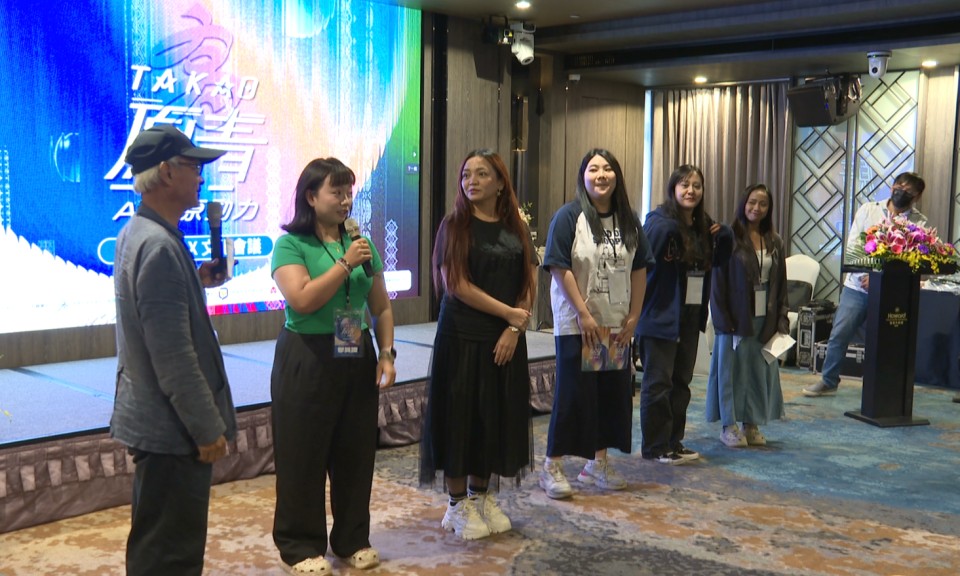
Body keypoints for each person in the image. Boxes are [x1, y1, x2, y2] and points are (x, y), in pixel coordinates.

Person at [110, 124, 236, 576]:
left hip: (156, 421)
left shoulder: (140, 231)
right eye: (193, 166)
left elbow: (152, 313)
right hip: (172, 428)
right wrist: (207, 427)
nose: (201, 176)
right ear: (165, 172)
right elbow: (174, 356)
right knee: (170, 556)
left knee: (157, 544)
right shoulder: (159, 246)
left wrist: (194, 280)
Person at [270, 158, 397, 574]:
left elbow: (380, 307)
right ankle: (300, 546)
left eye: (349, 192)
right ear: (311, 197)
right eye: (336, 192)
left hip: (355, 349)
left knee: (355, 453)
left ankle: (351, 539)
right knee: (302, 455)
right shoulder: (291, 245)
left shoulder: (361, 243)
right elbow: (302, 299)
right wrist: (344, 264)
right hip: (306, 355)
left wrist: (387, 353)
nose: (345, 201)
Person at [419, 149, 537, 540]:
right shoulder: (454, 225)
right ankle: (456, 505)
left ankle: (480, 495)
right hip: (462, 337)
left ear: (501, 182)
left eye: (482, 174)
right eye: (466, 174)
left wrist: (513, 330)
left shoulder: (516, 226)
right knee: (460, 419)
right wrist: (509, 315)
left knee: (492, 416)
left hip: (505, 339)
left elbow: (528, 283)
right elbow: (456, 285)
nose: (472, 181)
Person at [540, 148, 653, 499]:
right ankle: (552, 466)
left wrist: (634, 316)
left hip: (615, 325)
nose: (601, 175)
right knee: (573, 395)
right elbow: (558, 266)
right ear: (583, 176)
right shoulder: (569, 216)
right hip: (579, 325)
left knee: (608, 395)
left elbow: (639, 269)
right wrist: (583, 313)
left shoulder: (628, 219)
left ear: (616, 175)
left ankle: (597, 463)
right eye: (593, 169)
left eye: (607, 168)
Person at [636, 164, 733, 465]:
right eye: (684, 185)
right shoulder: (658, 221)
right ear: (673, 189)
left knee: (681, 384)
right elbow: (643, 259)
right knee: (658, 384)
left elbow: (720, 261)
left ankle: (673, 441)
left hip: (689, 319)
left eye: (696, 186)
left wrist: (726, 235)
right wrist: (674, 227)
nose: (691, 191)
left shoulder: (703, 226)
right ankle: (655, 446)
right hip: (658, 317)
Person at [803, 172, 926, 397]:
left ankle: (884, 387)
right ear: (892, 187)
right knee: (839, 334)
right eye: (899, 186)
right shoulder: (868, 210)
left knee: (887, 341)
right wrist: (868, 275)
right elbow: (854, 247)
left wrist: (881, 278)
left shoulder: (919, 222)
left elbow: (912, 258)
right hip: (857, 287)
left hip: (891, 292)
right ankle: (828, 380)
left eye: (909, 191)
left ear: (917, 196)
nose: (902, 192)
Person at [706, 184, 788, 447]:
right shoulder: (728, 238)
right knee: (731, 372)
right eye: (752, 202)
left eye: (763, 204)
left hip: (764, 317)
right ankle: (728, 426)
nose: (757, 208)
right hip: (735, 316)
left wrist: (782, 317)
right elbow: (717, 282)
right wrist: (723, 320)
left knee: (757, 371)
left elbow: (781, 282)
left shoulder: (775, 241)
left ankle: (751, 424)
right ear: (743, 203)